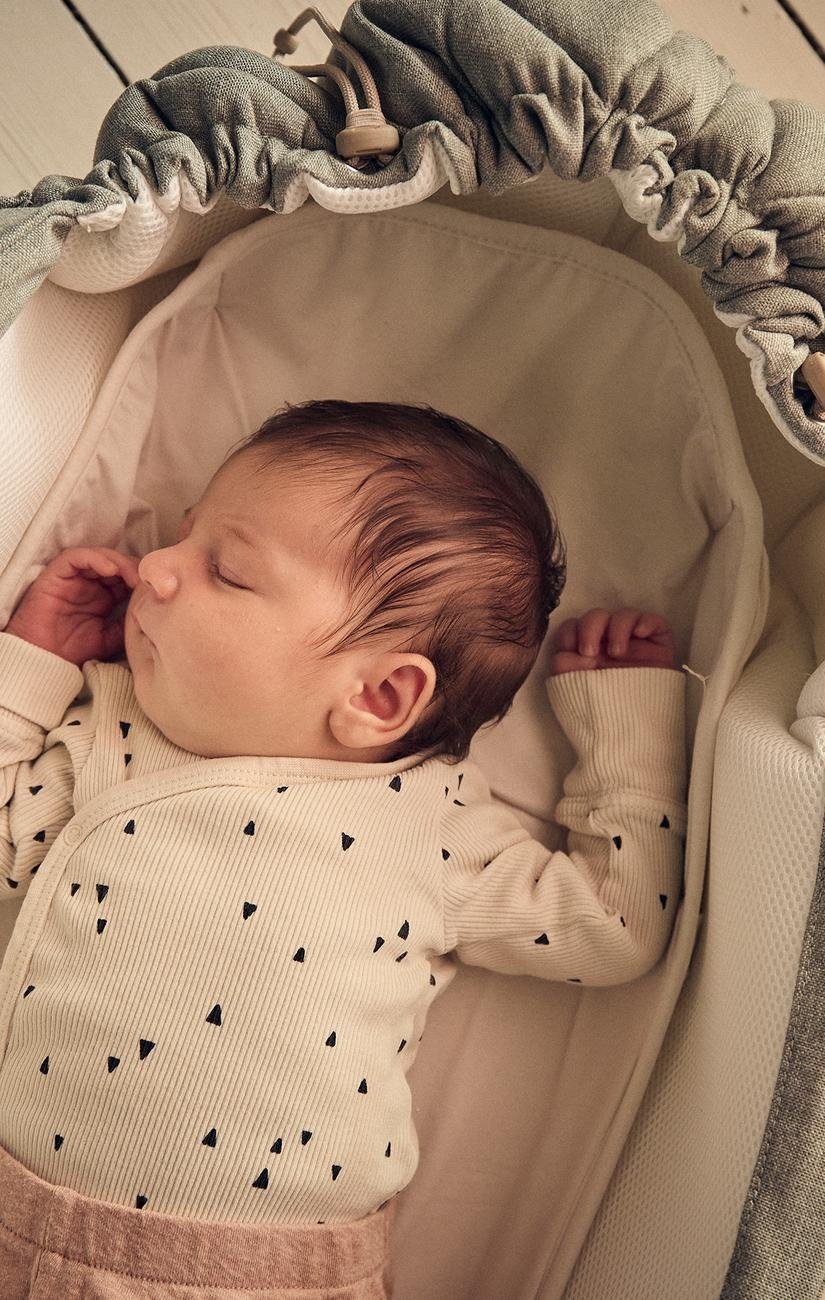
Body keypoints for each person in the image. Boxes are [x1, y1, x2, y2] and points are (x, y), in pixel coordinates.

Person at [0, 399, 687, 1298]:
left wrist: (626, 731)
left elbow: (613, 927)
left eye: (227, 570)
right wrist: (33, 662)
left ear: (378, 697)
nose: (156, 566)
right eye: (181, 535)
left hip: (265, 1276)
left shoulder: (432, 828)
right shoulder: (111, 728)